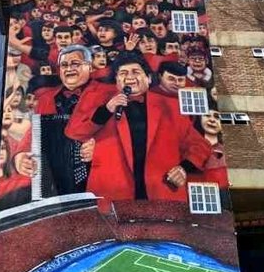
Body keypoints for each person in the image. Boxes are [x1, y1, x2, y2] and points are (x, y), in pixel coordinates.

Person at [65, 52, 211, 202]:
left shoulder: (171, 106)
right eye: (123, 73)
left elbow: (200, 145)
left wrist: (183, 168)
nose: (129, 77)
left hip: (162, 193)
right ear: (116, 81)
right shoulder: (103, 103)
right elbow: (74, 132)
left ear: (148, 78)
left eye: (136, 72)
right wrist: (106, 110)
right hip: (112, 195)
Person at [14, 45, 95, 196]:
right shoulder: (45, 99)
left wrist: (100, 149)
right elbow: (35, 131)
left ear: (89, 67)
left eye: (75, 63)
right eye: (64, 65)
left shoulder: (106, 94)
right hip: (54, 185)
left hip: (99, 178)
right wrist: (20, 156)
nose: (69, 68)